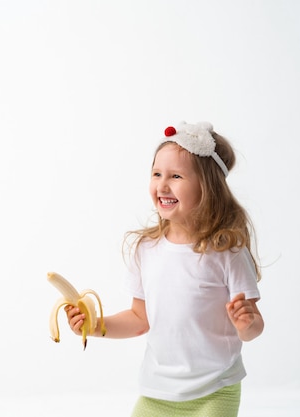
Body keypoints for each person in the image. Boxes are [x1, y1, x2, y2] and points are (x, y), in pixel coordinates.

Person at [65, 121, 264, 417]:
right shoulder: (146, 249)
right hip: (157, 392)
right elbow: (138, 319)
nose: (162, 184)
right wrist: (96, 325)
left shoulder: (228, 252)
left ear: (207, 187)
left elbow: (253, 328)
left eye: (176, 176)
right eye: (156, 174)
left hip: (215, 388)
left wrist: (247, 326)